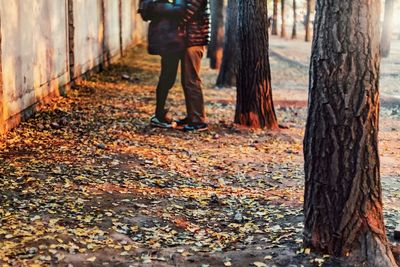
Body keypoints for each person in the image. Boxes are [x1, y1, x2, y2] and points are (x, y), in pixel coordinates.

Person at [147, 0, 210, 131]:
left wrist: (160, 10)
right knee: (185, 80)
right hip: (183, 40)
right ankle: (193, 116)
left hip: (193, 40)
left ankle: (198, 121)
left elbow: (183, 13)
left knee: (191, 80)